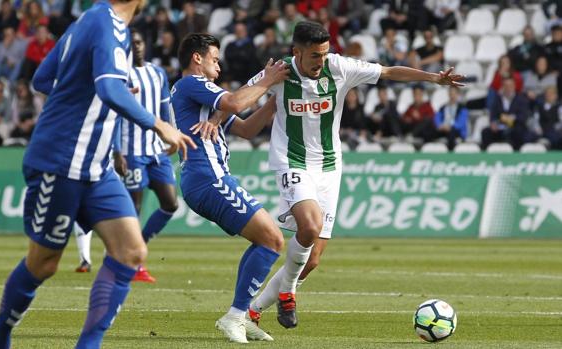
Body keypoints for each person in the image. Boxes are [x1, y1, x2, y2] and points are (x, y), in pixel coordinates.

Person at [0, 1, 194, 349]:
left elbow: (43, 78)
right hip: (60, 160)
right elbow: (107, 90)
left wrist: (88, 94)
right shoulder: (105, 25)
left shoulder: (92, 20)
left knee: (131, 252)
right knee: (44, 263)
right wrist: (159, 125)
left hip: (96, 165)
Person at [240, 21, 463, 329]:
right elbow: (239, 97)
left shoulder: (340, 67)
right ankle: (288, 293)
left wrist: (434, 79)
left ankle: (253, 311)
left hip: (330, 167)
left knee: (313, 258)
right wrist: (216, 116)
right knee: (309, 227)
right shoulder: (280, 73)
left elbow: (387, 72)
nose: (321, 61)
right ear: (296, 52)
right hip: (292, 160)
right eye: (315, 56)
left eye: (324, 54)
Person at [171, 33, 289, 343]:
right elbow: (236, 100)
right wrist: (267, 78)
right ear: (197, 59)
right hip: (207, 177)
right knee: (273, 238)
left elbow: (248, 129)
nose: (218, 64)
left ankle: (240, 314)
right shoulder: (192, 84)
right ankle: (236, 315)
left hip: (209, 178)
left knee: (267, 240)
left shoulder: (202, 102)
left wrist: (274, 98)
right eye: (214, 58)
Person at [73, 29, 179, 283]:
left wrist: (172, 134)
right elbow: (116, 113)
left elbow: (165, 107)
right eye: (132, 44)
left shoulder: (158, 73)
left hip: (156, 151)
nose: (137, 47)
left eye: (140, 42)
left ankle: (131, 248)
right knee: (134, 210)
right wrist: (117, 151)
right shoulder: (120, 76)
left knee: (170, 203)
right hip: (131, 152)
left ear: (146, 44)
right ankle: (132, 263)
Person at [481, 77, 532, 150]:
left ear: (514, 86)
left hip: (515, 127)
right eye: (506, 86)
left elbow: (523, 117)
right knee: (486, 132)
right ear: (503, 87)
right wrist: (493, 123)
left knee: (517, 132)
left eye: (510, 86)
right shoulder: (497, 99)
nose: (508, 88)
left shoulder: (521, 99)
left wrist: (510, 119)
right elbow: (493, 116)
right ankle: (487, 157)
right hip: (500, 128)